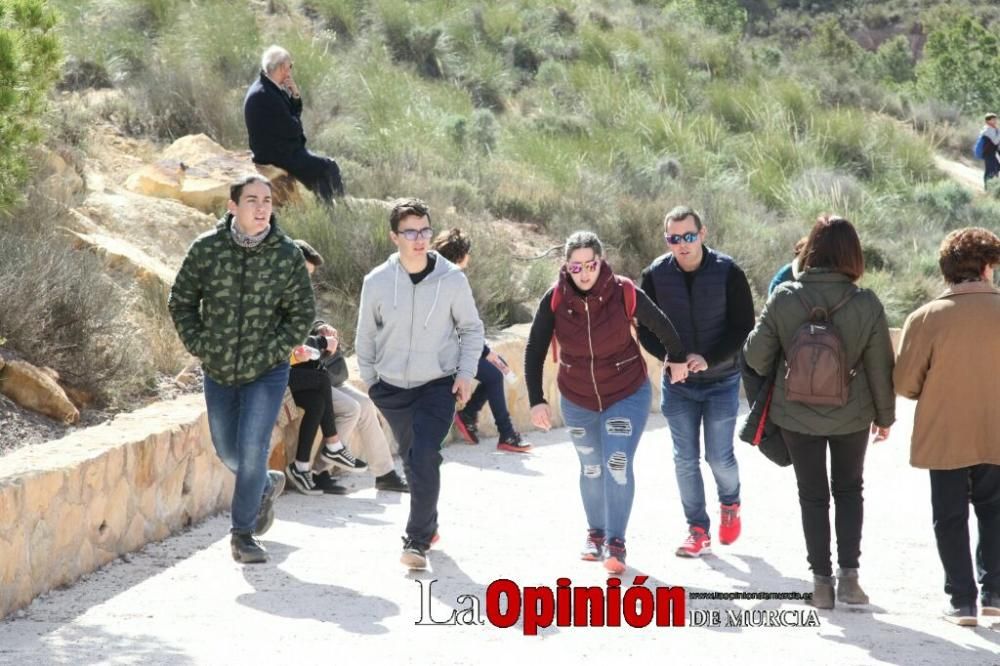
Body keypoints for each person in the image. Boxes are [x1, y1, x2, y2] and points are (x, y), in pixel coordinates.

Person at [743, 214, 895, 610]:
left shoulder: (785, 297)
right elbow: (881, 367)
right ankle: (850, 580)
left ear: (810, 249)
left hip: (795, 415)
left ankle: (820, 584)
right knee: (849, 491)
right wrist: (885, 417)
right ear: (853, 255)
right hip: (852, 415)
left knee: (812, 496)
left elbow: (755, 357)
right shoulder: (866, 304)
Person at [168, 175, 315, 564]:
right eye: (252, 199)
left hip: (266, 370)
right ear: (233, 206)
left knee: (253, 447)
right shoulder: (206, 249)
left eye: (267, 200)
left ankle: (243, 534)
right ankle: (264, 482)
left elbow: (301, 312)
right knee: (228, 449)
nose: (262, 206)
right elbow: (181, 301)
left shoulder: (285, 254)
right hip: (218, 368)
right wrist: (202, 345)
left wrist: (275, 349)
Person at [525, 231, 690, 574]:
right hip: (577, 397)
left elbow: (662, 325)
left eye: (591, 265)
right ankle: (595, 533)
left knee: (616, 463)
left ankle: (616, 542)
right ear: (566, 267)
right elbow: (535, 348)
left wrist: (676, 359)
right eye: (576, 267)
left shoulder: (624, 291)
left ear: (601, 262)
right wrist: (537, 400)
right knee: (591, 467)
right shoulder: (555, 299)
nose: (584, 273)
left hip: (625, 392)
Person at [356, 198, 484, 570]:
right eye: (410, 232)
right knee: (415, 460)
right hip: (391, 387)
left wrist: (465, 373)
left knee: (424, 454)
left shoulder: (451, 279)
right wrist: (371, 380)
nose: (419, 239)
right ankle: (429, 524)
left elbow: (472, 329)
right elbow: (364, 335)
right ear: (394, 236)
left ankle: (415, 539)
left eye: (425, 230)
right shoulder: (377, 282)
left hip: (437, 383)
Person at [894, 227, 1000, 627]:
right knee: (994, 511)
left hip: (946, 432)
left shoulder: (925, 318)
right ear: (988, 268)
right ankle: (995, 594)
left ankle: (961, 603)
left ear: (947, 271)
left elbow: (905, 384)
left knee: (950, 516)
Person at [637, 205, 755, 558]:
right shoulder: (655, 275)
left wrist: (709, 358)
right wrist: (671, 360)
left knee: (719, 457)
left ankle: (730, 503)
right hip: (679, 384)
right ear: (667, 240)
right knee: (684, 459)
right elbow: (644, 329)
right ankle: (697, 529)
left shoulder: (729, 272)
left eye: (689, 236)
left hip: (721, 381)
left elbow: (743, 326)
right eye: (674, 239)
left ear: (702, 234)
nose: (682, 245)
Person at [291, 240, 410, 495]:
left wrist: (322, 326)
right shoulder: (278, 292)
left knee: (366, 405)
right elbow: (288, 341)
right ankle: (319, 470)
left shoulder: (299, 293)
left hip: (320, 370)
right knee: (351, 409)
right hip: (303, 373)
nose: (306, 280)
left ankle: (385, 473)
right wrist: (321, 341)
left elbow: (307, 324)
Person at [431, 228, 531, 453]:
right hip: (445, 352)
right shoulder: (453, 280)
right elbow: (461, 326)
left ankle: (470, 414)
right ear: (461, 255)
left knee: (494, 370)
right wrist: (486, 352)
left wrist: (486, 352)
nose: (470, 258)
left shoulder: (434, 276)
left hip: (440, 348)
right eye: (468, 253)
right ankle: (506, 433)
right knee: (495, 373)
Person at [284, 291, 367, 496]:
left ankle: (301, 467)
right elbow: (280, 341)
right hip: (271, 374)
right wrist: (320, 344)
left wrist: (320, 328)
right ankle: (333, 445)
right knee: (321, 379)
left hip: (291, 370)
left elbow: (302, 329)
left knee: (316, 402)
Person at [244, 45, 344, 204]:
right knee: (329, 167)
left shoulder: (267, 87)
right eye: (290, 66)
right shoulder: (265, 94)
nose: (290, 71)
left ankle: (330, 213)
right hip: (278, 154)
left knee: (321, 178)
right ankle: (341, 209)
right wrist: (296, 119)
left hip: (278, 149)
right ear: (283, 67)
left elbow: (290, 117)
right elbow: (294, 129)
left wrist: (295, 96)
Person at [979, 113, 1000, 189]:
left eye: (995, 119)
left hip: (991, 153)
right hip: (988, 153)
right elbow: (995, 141)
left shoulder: (993, 129)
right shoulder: (988, 129)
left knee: (996, 168)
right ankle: (987, 188)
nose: (995, 121)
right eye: (993, 119)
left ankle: (992, 186)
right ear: (988, 121)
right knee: (990, 170)